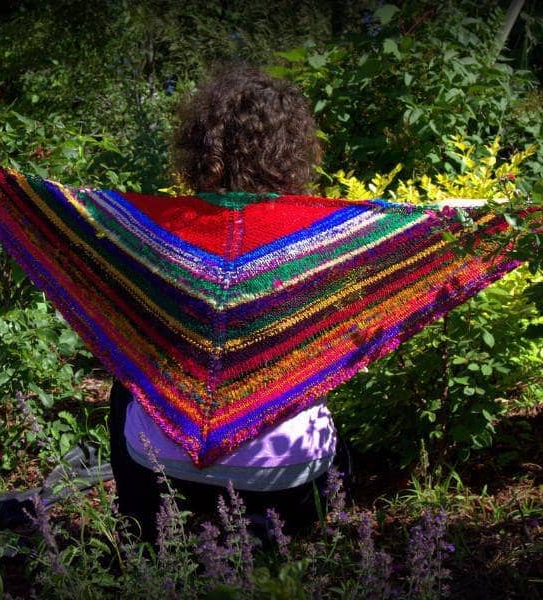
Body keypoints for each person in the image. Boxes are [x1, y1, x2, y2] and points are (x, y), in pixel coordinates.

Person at [109, 64, 352, 541]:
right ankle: (304, 536)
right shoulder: (328, 238)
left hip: (163, 467)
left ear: (201, 148)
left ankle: (141, 532)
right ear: (294, 151)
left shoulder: (155, 230)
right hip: (287, 479)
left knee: (127, 379)